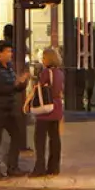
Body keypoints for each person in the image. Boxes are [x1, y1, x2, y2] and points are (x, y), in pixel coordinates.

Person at [0, 42, 29, 179]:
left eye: (11, 51)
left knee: (17, 135)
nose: (10, 54)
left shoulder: (8, 67)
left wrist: (22, 83)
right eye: (7, 52)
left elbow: (13, 87)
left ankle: (13, 167)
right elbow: (1, 88)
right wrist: (15, 84)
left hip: (8, 107)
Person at [29, 47, 65, 177]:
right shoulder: (60, 73)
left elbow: (39, 88)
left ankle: (39, 167)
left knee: (40, 139)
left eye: (44, 57)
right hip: (57, 107)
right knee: (55, 138)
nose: (42, 60)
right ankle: (54, 167)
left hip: (46, 110)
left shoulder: (45, 73)